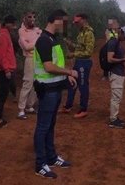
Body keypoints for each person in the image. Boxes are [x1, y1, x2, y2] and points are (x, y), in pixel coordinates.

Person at [32, 9, 78, 179]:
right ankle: (40, 164)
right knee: (43, 127)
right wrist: (69, 73)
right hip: (47, 91)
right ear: (56, 20)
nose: (64, 26)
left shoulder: (53, 39)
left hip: (55, 89)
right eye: (63, 22)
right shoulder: (44, 40)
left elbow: (57, 64)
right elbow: (48, 67)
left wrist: (66, 78)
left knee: (50, 125)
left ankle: (51, 157)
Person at [61, 13, 95, 118]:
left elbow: (88, 52)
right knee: (73, 83)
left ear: (84, 20)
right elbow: (79, 47)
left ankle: (83, 109)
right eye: (75, 22)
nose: (76, 24)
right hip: (78, 62)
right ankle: (68, 106)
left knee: (83, 85)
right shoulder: (81, 33)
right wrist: (70, 44)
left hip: (84, 63)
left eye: (77, 22)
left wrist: (73, 54)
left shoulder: (89, 33)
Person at [0, 15, 18, 128]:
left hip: (5, 68)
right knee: (2, 93)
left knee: (3, 92)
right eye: (13, 24)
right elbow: (1, 55)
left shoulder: (5, 34)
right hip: (3, 70)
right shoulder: (3, 35)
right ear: (7, 24)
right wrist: (6, 69)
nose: (14, 27)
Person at [106, 26, 125, 129]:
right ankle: (113, 120)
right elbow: (110, 59)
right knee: (116, 97)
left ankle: (114, 118)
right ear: (122, 33)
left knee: (117, 97)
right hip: (115, 72)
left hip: (118, 72)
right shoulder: (113, 42)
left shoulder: (117, 42)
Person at [17, 11, 41, 120]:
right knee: (28, 82)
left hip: (39, 59)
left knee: (36, 83)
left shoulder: (37, 30)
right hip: (30, 59)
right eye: (29, 17)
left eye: (34, 17)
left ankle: (30, 106)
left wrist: (33, 44)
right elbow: (26, 47)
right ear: (24, 18)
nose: (32, 19)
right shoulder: (21, 31)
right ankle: (21, 109)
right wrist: (38, 42)